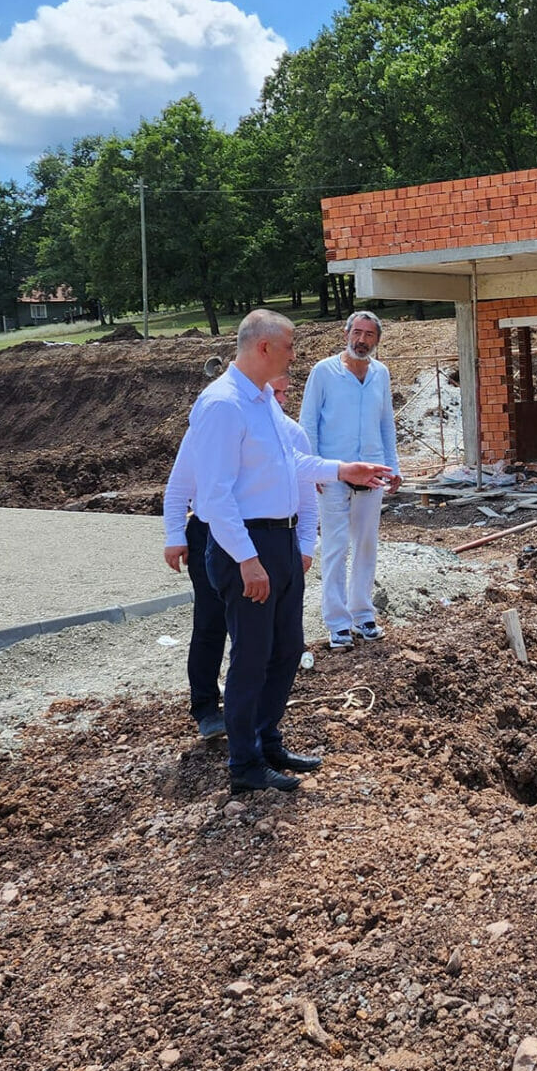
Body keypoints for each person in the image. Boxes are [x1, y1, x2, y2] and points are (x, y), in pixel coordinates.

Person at [181, 309, 392, 794]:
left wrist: (342, 469)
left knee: (286, 650)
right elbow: (214, 496)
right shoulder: (222, 405)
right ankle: (244, 765)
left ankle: (266, 739)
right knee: (252, 657)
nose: (295, 356)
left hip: (279, 539)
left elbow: (291, 460)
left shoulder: (261, 403)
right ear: (263, 348)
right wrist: (247, 560)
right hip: (247, 545)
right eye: (290, 347)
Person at [163, 371, 316, 742]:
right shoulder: (218, 419)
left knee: (264, 637)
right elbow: (182, 482)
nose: (277, 400)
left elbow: (307, 497)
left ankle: (255, 719)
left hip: (270, 538)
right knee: (211, 622)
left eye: (282, 393)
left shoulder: (292, 434)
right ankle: (205, 706)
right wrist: (173, 534)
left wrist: (305, 546)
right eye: (271, 391)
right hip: (212, 531)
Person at [299, 310, 403, 650]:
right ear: (346, 333)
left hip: (372, 473)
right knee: (335, 547)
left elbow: (386, 422)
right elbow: (308, 421)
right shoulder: (324, 372)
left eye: (369, 335)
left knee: (366, 546)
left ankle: (363, 614)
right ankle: (337, 622)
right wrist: (313, 467)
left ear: (377, 340)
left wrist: (393, 465)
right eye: (356, 332)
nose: (361, 340)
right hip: (333, 473)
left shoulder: (381, 374)